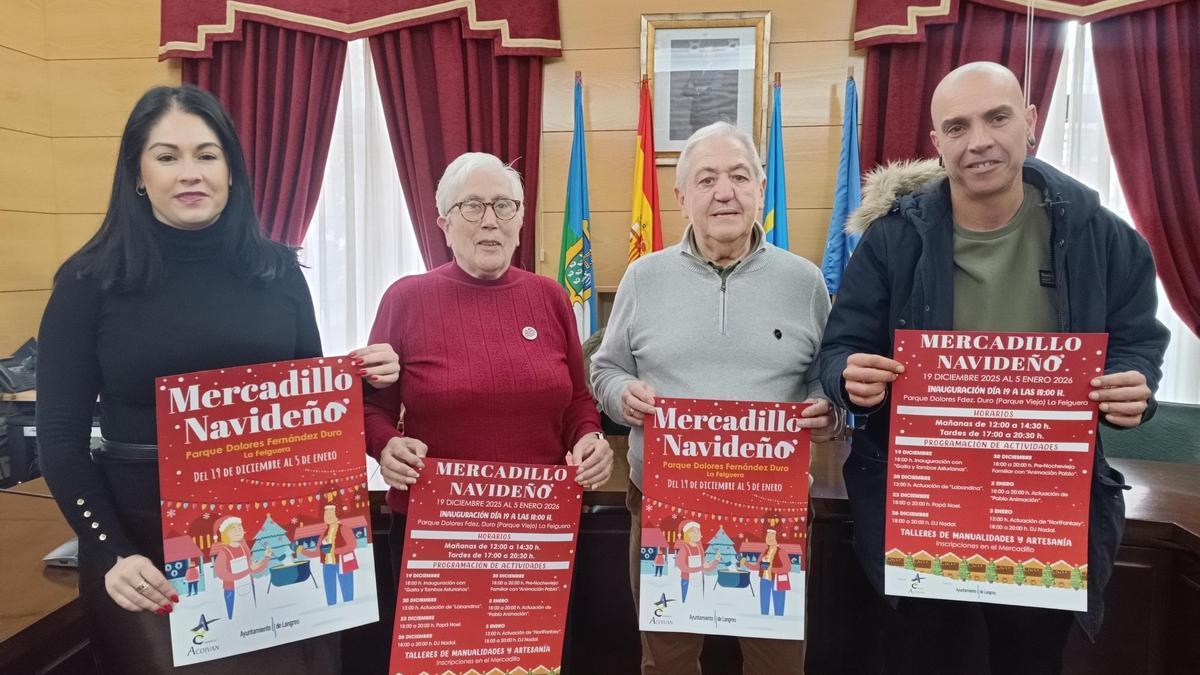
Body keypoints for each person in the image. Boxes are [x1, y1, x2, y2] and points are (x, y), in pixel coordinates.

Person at [816, 62, 1170, 674]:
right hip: (921, 500)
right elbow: (838, 348)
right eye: (958, 127)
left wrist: (1133, 384)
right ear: (938, 142)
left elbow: (1137, 344)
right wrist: (849, 376)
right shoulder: (894, 240)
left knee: (1029, 659)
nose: (978, 141)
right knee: (917, 657)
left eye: (997, 118)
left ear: (1029, 122)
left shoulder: (1103, 237)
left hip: (1043, 505)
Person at [36, 85, 399, 674]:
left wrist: (364, 379)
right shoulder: (87, 282)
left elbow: (303, 411)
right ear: (137, 173)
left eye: (207, 155)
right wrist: (111, 550)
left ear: (231, 170)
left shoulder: (279, 270)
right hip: (145, 554)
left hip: (277, 542)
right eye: (167, 156)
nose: (190, 173)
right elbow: (59, 439)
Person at [591, 121, 840, 675]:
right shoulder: (643, 278)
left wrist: (827, 407)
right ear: (682, 197)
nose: (724, 192)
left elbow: (825, 378)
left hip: (773, 512)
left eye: (739, 176)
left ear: (761, 188)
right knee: (667, 662)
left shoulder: (804, 282)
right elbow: (605, 368)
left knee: (777, 664)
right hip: (663, 506)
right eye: (706, 179)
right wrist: (621, 394)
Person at [363, 151, 614, 580]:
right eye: (473, 206)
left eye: (503, 205)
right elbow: (372, 409)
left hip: (538, 526)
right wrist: (386, 446)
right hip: (435, 528)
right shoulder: (404, 299)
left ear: (520, 220)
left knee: (544, 630)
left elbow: (577, 399)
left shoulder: (551, 298)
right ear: (444, 224)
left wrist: (590, 437)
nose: (490, 221)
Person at [296, 505, 359, 606]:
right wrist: (303, 550)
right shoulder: (324, 533)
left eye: (330, 513)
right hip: (327, 565)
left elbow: (352, 545)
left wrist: (334, 551)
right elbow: (317, 552)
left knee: (347, 590)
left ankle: (350, 608)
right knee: (330, 591)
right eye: (326, 514)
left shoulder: (344, 528)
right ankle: (331, 608)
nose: (327, 516)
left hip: (342, 563)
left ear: (337, 514)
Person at [211, 516, 271, 620]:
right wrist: (248, 571)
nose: (238, 531)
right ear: (226, 533)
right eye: (234, 529)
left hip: (249, 586)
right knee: (233, 619)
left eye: (239, 528)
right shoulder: (224, 553)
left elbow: (254, 569)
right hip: (231, 590)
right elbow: (223, 575)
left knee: (253, 615)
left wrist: (266, 558)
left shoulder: (244, 549)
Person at [674, 521, 720, 603]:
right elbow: (682, 567)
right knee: (686, 602)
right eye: (694, 532)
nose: (698, 534)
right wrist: (701, 567)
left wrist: (715, 560)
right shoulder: (684, 548)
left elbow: (706, 568)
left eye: (698, 531)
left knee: (698, 602)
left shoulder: (700, 548)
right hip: (687, 580)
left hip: (699, 580)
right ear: (688, 534)